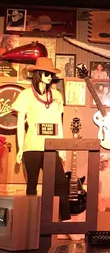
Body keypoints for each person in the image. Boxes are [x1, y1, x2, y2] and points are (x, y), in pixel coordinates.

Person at [12, 57, 70, 222]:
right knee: (31, 185)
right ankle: (30, 223)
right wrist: (20, 148)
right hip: (32, 147)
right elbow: (19, 124)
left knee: (61, 183)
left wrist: (63, 147)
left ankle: (65, 222)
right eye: (46, 73)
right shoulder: (25, 95)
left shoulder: (57, 95)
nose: (50, 77)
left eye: (51, 74)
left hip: (52, 147)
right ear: (38, 74)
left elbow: (59, 122)